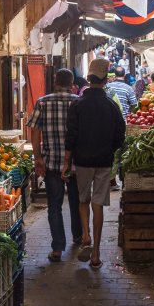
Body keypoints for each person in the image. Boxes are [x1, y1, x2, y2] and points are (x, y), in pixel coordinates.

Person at [63, 58, 126, 269]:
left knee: (83, 200)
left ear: (89, 79)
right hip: (104, 161)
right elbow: (120, 133)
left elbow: (70, 136)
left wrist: (66, 162)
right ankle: (96, 253)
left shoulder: (78, 104)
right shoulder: (110, 105)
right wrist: (110, 149)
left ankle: (86, 235)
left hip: (82, 161)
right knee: (97, 204)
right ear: (105, 80)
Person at [26, 69, 83, 262]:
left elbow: (34, 131)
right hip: (75, 164)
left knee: (54, 206)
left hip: (51, 163)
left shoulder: (43, 102)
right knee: (76, 203)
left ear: (55, 81)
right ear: (72, 83)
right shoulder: (78, 102)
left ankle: (58, 248)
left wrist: (37, 157)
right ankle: (78, 236)